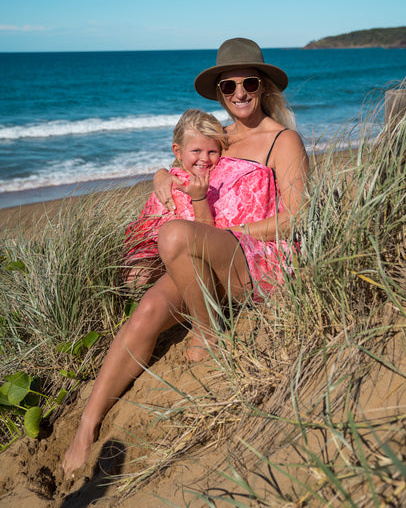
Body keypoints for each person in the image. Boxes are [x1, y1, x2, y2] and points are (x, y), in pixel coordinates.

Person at [62, 38, 309, 478]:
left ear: (264, 85)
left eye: (249, 82)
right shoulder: (218, 138)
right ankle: (86, 427)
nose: (239, 93)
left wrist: (232, 233)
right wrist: (160, 175)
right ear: (219, 92)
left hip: (255, 261)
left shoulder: (282, 140)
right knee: (148, 311)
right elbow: (181, 165)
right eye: (229, 86)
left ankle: (210, 334)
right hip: (202, 252)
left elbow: (296, 218)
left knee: (176, 234)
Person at [124, 108, 225, 288]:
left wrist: (199, 197)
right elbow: (145, 232)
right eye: (196, 150)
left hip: (198, 253)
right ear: (177, 151)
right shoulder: (171, 182)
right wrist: (161, 174)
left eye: (212, 151)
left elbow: (206, 233)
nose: (205, 159)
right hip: (156, 252)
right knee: (136, 278)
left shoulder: (219, 180)